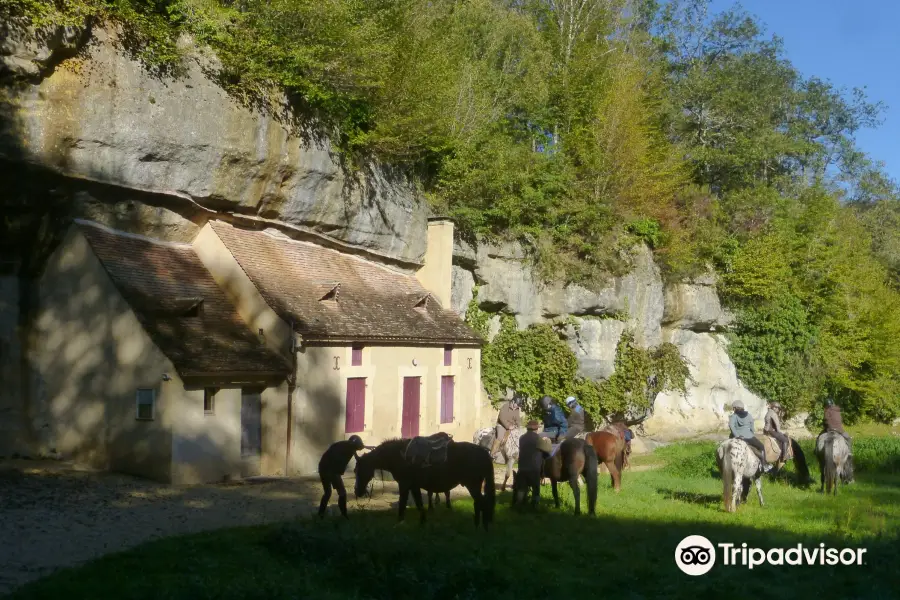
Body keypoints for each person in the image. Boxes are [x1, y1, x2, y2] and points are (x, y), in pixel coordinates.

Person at [318, 435, 365, 518]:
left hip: (323, 468)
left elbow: (358, 449)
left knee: (327, 493)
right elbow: (358, 454)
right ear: (354, 445)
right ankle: (344, 515)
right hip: (332, 470)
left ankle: (320, 514)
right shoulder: (350, 448)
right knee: (342, 493)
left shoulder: (343, 445)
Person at [513, 420, 551, 507]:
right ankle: (535, 506)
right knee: (536, 488)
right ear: (537, 429)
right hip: (534, 468)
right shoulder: (538, 438)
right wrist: (547, 440)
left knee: (521, 488)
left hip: (522, 468)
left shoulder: (521, 438)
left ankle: (518, 505)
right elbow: (548, 449)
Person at [728, 400, 772, 473]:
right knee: (762, 447)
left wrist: (737, 436)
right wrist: (751, 433)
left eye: (733, 408)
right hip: (749, 437)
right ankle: (764, 464)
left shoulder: (733, 416)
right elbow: (752, 426)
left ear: (735, 408)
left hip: (738, 437)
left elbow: (732, 427)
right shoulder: (748, 415)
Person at [822, 398, 854, 478]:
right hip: (839, 430)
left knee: (819, 437)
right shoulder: (838, 410)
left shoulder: (826, 411)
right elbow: (840, 421)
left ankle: (816, 449)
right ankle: (849, 451)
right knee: (848, 438)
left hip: (829, 430)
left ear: (826, 405)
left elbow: (825, 421)